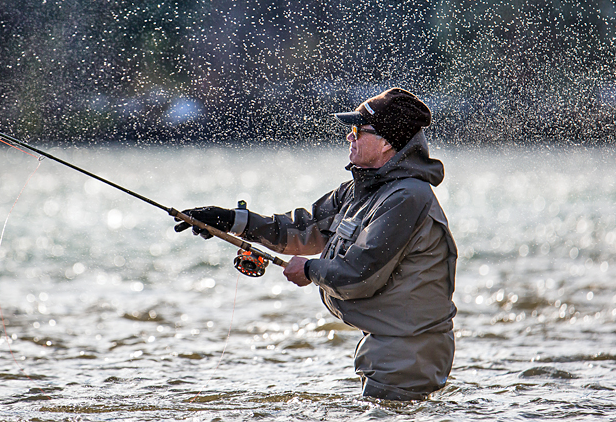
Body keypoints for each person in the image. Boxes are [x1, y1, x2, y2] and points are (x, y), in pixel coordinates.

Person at [175, 88, 458, 401]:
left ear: (387, 143)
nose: (349, 138)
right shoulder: (359, 190)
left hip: (409, 349)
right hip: (386, 343)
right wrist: (231, 220)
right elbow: (300, 229)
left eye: (358, 131)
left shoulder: (407, 197)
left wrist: (309, 269)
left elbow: (361, 273)